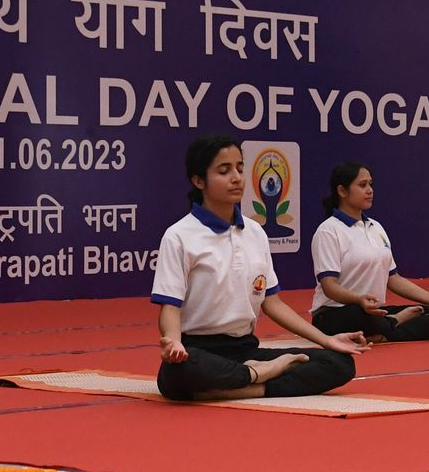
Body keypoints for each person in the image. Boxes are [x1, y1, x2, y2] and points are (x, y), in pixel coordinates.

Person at [152, 136, 368, 400]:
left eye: (240, 168)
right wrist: (174, 342)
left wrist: (327, 340)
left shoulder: (255, 232)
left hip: (246, 351)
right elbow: (170, 307)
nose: (236, 178)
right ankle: (256, 376)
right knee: (180, 370)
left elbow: (272, 303)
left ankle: (251, 384)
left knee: (339, 362)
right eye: (224, 171)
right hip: (200, 350)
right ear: (199, 181)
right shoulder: (178, 235)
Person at [308, 161, 429, 342]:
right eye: (362, 185)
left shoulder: (376, 227)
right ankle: (390, 324)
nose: (370, 190)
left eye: (370, 184)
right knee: (359, 317)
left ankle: (382, 333)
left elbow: (394, 279)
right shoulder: (328, 230)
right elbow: (329, 286)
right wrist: (359, 300)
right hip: (336, 313)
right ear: (342, 191)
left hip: (373, 312)